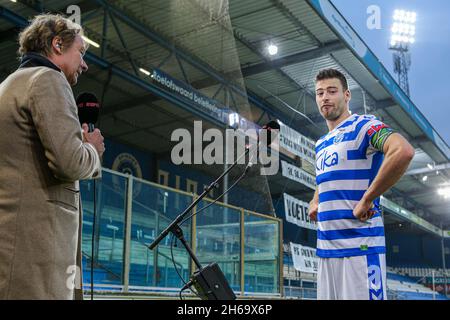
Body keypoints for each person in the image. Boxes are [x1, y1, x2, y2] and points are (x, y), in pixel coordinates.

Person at [0, 14, 105, 299]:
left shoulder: (10, 84)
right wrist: (92, 150)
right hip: (37, 257)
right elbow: (70, 163)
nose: (84, 64)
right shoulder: (48, 79)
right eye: (80, 52)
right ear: (57, 44)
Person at [308, 68, 414, 300]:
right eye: (319, 93)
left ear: (346, 95)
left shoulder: (364, 126)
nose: (324, 97)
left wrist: (367, 198)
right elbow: (325, 177)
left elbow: (402, 151)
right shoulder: (321, 143)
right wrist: (315, 200)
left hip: (360, 248)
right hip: (326, 249)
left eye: (332, 91)